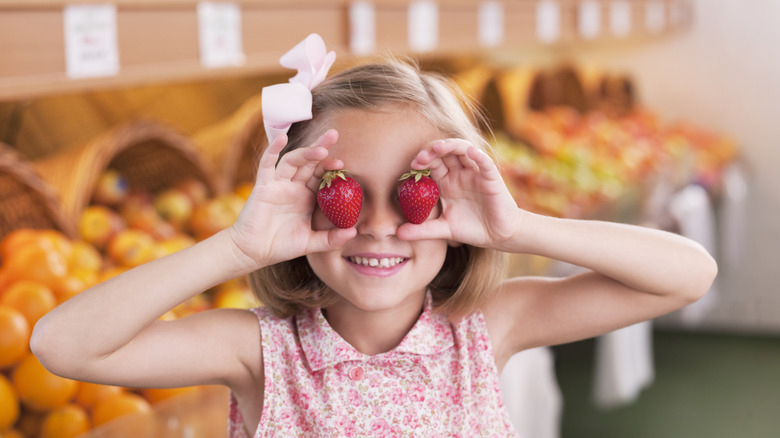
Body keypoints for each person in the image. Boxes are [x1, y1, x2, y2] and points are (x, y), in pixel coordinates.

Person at [31, 34, 717, 437]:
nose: (381, 224)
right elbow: (60, 345)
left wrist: (517, 227)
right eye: (344, 192)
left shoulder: (483, 328)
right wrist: (236, 248)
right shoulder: (261, 350)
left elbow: (689, 274)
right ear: (301, 203)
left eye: (413, 195)